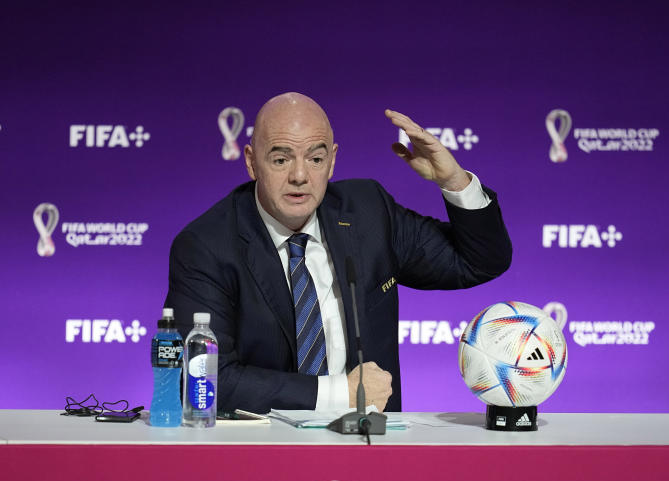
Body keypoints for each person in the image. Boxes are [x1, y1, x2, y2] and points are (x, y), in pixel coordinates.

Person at [165, 92, 511, 413]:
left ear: (331, 162)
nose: (300, 176)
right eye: (281, 159)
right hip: (264, 450)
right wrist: (340, 394)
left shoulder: (367, 213)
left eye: (315, 158)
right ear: (252, 162)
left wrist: (453, 181)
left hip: (368, 443)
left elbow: (477, 261)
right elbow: (203, 379)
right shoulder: (207, 246)